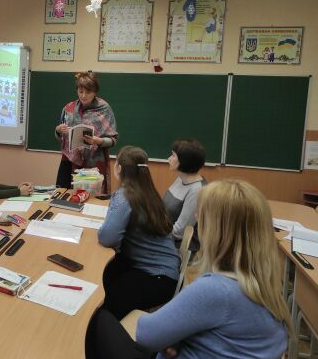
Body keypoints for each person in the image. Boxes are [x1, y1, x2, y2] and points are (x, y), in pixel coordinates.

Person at [89, 179, 290, 359]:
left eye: (201, 215)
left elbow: (146, 335)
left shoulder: (216, 290)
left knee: (99, 319)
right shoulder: (265, 286)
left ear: (216, 230)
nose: (196, 216)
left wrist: (176, 338)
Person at [97, 146, 180, 320]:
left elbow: (107, 238)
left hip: (155, 278)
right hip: (166, 270)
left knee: (101, 311)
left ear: (119, 168)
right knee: (108, 274)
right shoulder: (148, 192)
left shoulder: (124, 195)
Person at [55, 71, 118, 193]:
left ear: (95, 92)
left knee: (92, 199)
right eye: (80, 92)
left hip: (94, 163)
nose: (83, 95)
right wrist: (58, 131)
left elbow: (113, 140)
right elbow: (61, 138)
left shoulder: (104, 109)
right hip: (69, 161)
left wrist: (98, 141)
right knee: (67, 195)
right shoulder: (68, 109)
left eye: (88, 92)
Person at [162, 139, 206, 253]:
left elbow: (179, 232)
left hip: (178, 247)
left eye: (173, 155)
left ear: (184, 160)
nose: (169, 158)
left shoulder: (197, 190)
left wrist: (152, 235)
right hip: (166, 237)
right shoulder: (181, 178)